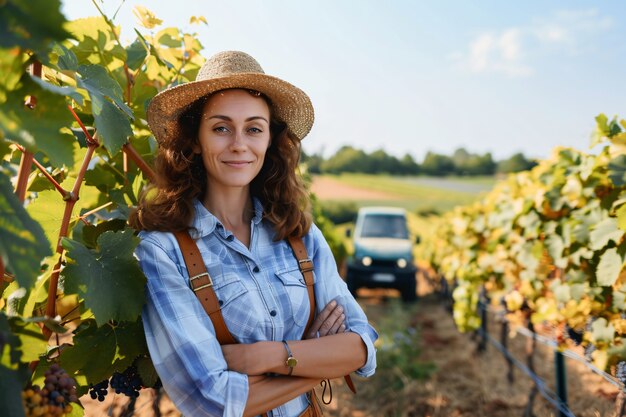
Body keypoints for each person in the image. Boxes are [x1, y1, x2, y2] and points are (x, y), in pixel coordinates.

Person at [130, 50, 377, 417]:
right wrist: (316, 359)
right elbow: (212, 399)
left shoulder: (300, 237)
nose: (239, 144)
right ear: (195, 139)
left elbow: (363, 348)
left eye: (254, 128)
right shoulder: (162, 251)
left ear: (269, 140)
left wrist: (269, 356)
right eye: (221, 127)